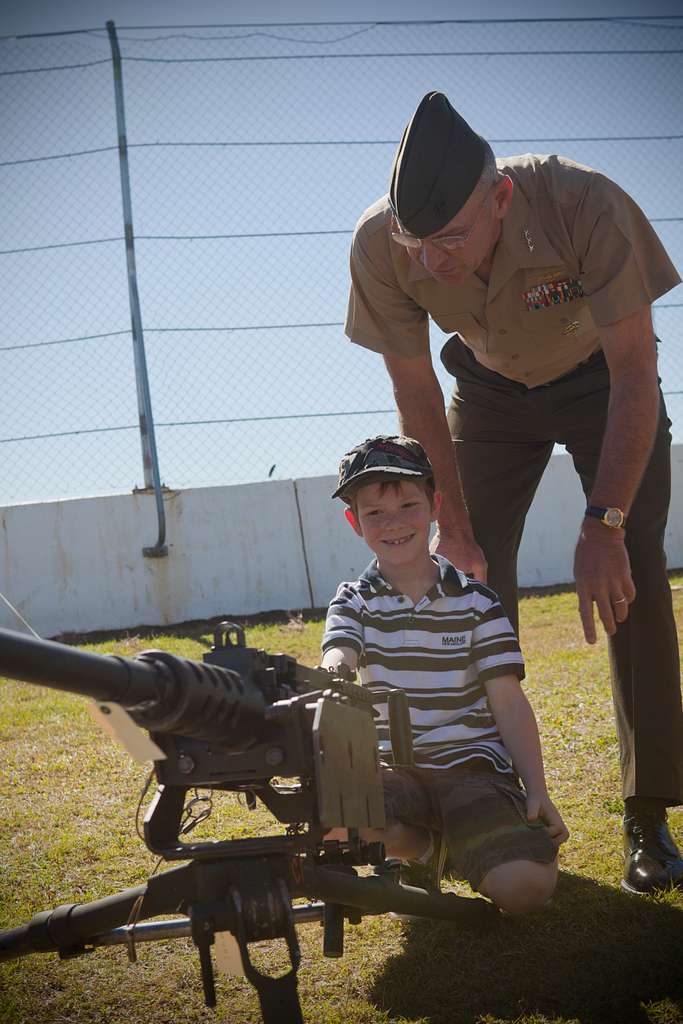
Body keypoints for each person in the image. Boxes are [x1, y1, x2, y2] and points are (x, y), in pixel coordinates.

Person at [344, 91, 683, 894]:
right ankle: (449, 799)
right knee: (456, 577)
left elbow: (637, 371)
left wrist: (600, 527)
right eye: (413, 239)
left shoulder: (581, 201)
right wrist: (452, 524)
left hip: (604, 385)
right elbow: (416, 393)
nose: (430, 259)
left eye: (451, 237)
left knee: (627, 569)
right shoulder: (377, 244)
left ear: (499, 198)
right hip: (487, 395)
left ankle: (649, 816)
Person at [321, 434, 569, 915]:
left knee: (525, 891)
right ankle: (423, 852)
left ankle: (468, 840)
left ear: (434, 505)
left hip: (471, 772)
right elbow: (338, 658)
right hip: (392, 773)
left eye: (408, 505)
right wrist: (332, 675)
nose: (393, 523)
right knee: (333, 821)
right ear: (354, 522)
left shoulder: (478, 601)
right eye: (374, 513)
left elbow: (508, 701)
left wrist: (537, 789)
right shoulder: (352, 600)